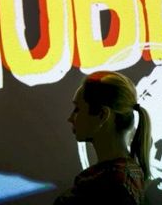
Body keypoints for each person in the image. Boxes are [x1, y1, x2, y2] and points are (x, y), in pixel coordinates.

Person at [55, 71, 152, 204]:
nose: (70, 118)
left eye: (77, 109)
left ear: (102, 115)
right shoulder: (128, 172)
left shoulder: (110, 185)